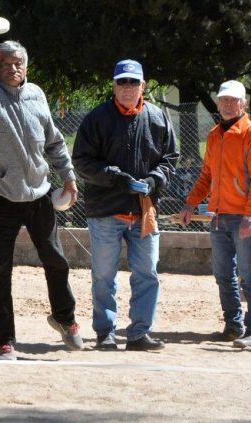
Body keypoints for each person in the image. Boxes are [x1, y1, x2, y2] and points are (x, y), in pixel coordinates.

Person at [0, 38, 82, 360]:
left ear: (26, 67)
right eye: (4, 63)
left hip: (38, 194)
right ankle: (5, 340)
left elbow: (55, 141)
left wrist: (69, 176)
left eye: (17, 62)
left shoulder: (37, 95)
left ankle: (65, 318)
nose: (12, 68)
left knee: (56, 260)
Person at [72, 60, 178, 351]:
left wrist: (155, 180)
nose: (128, 88)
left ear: (143, 85)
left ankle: (139, 334)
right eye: (122, 82)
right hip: (106, 212)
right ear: (114, 86)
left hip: (144, 211)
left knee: (147, 274)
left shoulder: (158, 118)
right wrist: (114, 177)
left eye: (134, 82)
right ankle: (106, 332)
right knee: (104, 276)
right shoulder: (97, 118)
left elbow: (170, 158)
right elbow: (81, 160)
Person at [179, 80, 251, 349]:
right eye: (224, 100)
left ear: (243, 104)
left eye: (233, 100)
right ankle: (233, 325)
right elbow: (207, 175)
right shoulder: (214, 135)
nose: (228, 105)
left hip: (244, 217)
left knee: (249, 275)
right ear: (218, 104)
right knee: (223, 274)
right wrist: (190, 203)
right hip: (218, 216)